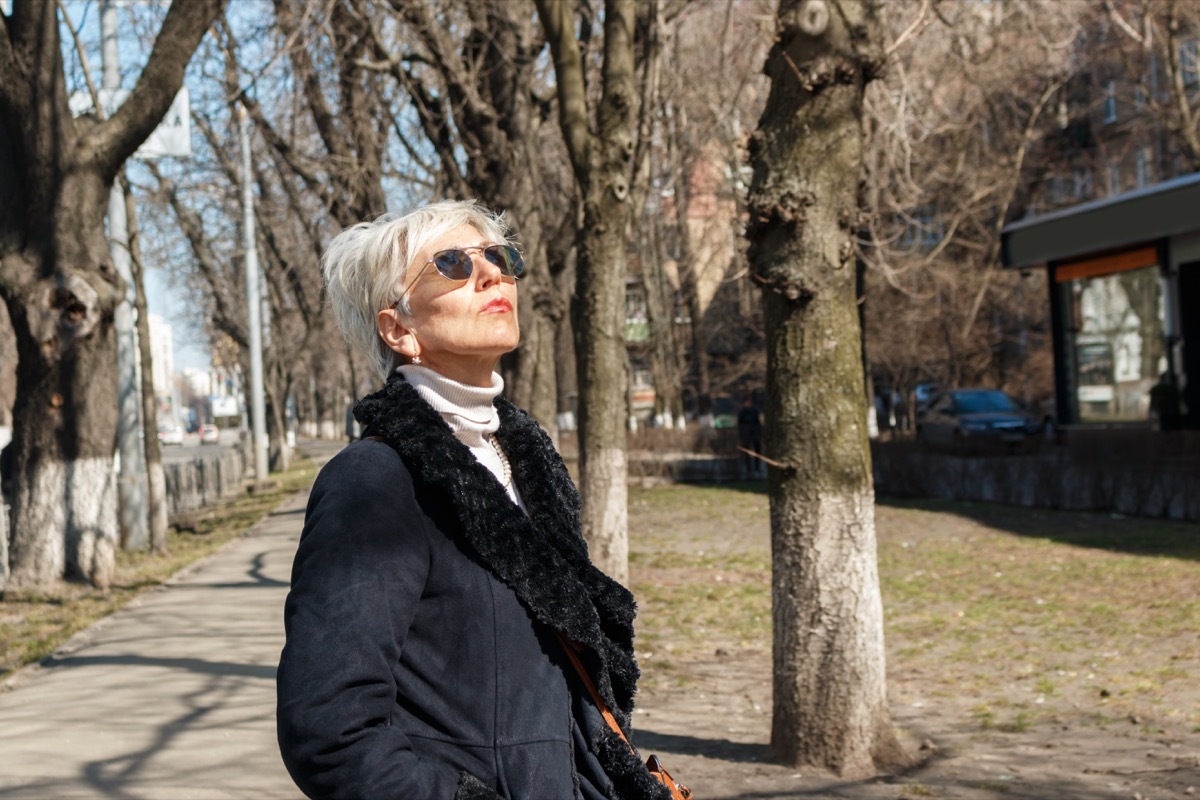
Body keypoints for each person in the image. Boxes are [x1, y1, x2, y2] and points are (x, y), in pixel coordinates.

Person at [276, 200, 672, 800]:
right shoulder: (375, 482)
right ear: (399, 329)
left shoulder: (526, 463)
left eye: (499, 257)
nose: (492, 274)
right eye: (453, 263)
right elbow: (330, 730)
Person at [736, 394, 763, 476]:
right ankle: (749, 469)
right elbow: (740, 425)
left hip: (755, 434)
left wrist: (759, 433)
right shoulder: (742, 412)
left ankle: (757, 468)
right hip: (746, 435)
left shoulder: (754, 411)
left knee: (757, 451)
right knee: (747, 453)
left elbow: (758, 423)